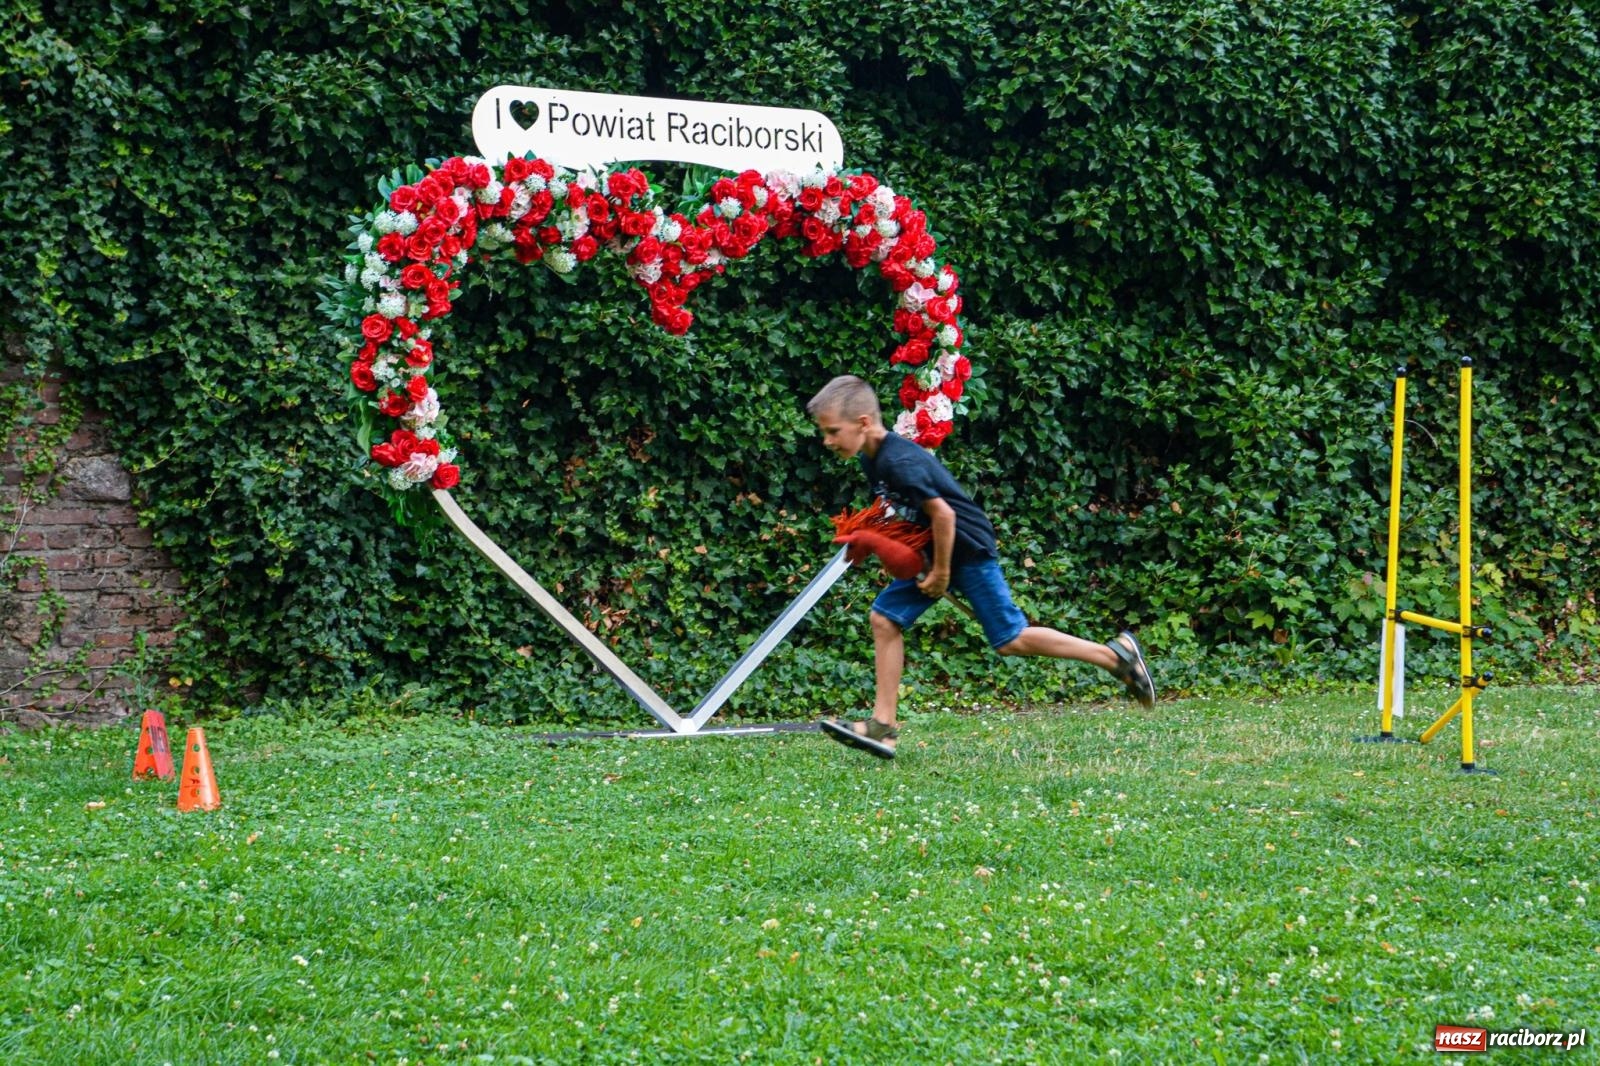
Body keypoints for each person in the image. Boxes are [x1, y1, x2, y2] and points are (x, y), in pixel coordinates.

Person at [807, 374, 1155, 759]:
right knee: (884, 619)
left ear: (863, 423)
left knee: (1010, 639)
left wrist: (940, 573)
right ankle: (883, 726)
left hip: (966, 549)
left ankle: (1115, 654)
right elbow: (909, 515)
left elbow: (943, 515)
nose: (827, 441)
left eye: (832, 431)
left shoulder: (898, 459)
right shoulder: (872, 461)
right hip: (934, 550)